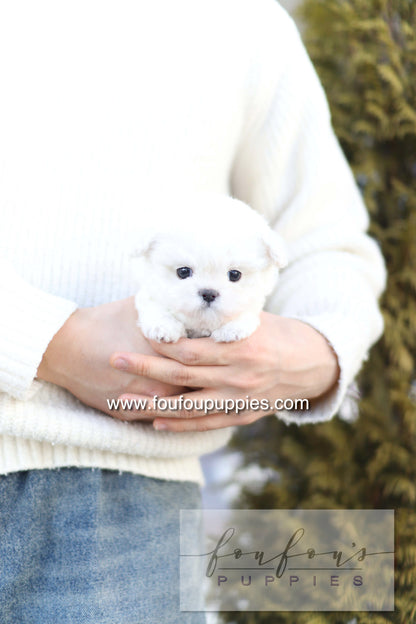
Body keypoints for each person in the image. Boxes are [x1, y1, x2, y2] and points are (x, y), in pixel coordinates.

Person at [0, 0, 386, 622]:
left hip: (131, 507)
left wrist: (305, 355)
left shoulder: (245, 23)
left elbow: (325, 243)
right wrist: (53, 344)